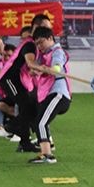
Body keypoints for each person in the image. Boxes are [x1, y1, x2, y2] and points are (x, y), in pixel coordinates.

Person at [0, 15, 52, 152]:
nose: (49, 30)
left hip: (19, 79)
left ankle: (24, 143)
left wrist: (38, 71)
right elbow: (30, 62)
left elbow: (29, 67)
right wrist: (43, 68)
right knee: (26, 105)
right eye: (46, 27)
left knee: (29, 106)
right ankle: (11, 127)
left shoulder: (34, 44)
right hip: (10, 78)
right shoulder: (30, 44)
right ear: (37, 27)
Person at [24, 26, 71, 164]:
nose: (39, 46)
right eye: (37, 44)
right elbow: (35, 71)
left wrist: (51, 69)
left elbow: (57, 66)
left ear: (50, 38)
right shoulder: (44, 54)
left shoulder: (57, 51)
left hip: (58, 94)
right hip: (49, 94)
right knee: (40, 121)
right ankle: (47, 150)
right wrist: (37, 70)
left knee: (41, 122)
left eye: (41, 42)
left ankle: (47, 155)